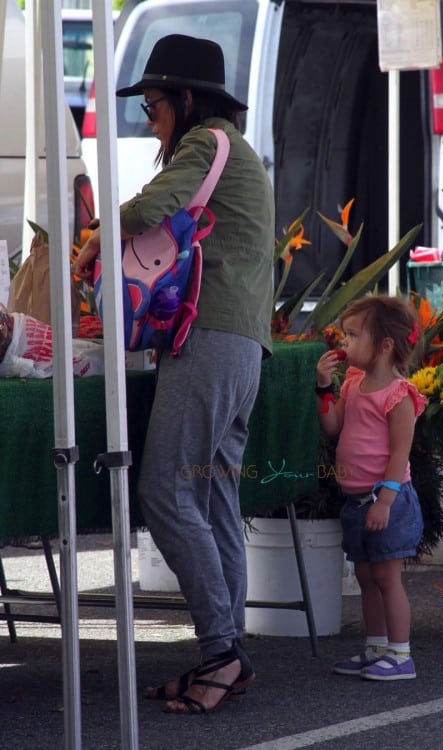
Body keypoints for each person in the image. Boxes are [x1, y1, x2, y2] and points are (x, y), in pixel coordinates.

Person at [74, 34, 274, 713]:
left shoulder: (205, 142)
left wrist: (99, 234)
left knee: (161, 489)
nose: (150, 119)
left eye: (155, 106)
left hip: (212, 340)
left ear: (187, 100)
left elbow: (152, 208)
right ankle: (231, 657)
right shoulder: (235, 150)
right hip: (242, 347)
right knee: (212, 499)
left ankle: (219, 653)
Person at [315, 295, 426, 680]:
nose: (344, 343)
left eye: (352, 335)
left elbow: (399, 454)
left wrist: (385, 500)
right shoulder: (354, 384)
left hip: (388, 501)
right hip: (356, 499)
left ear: (384, 345)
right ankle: (376, 646)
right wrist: (324, 387)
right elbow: (332, 428)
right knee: (365, 577)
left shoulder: (399, 396)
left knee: (386, 577)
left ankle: (401, 653)